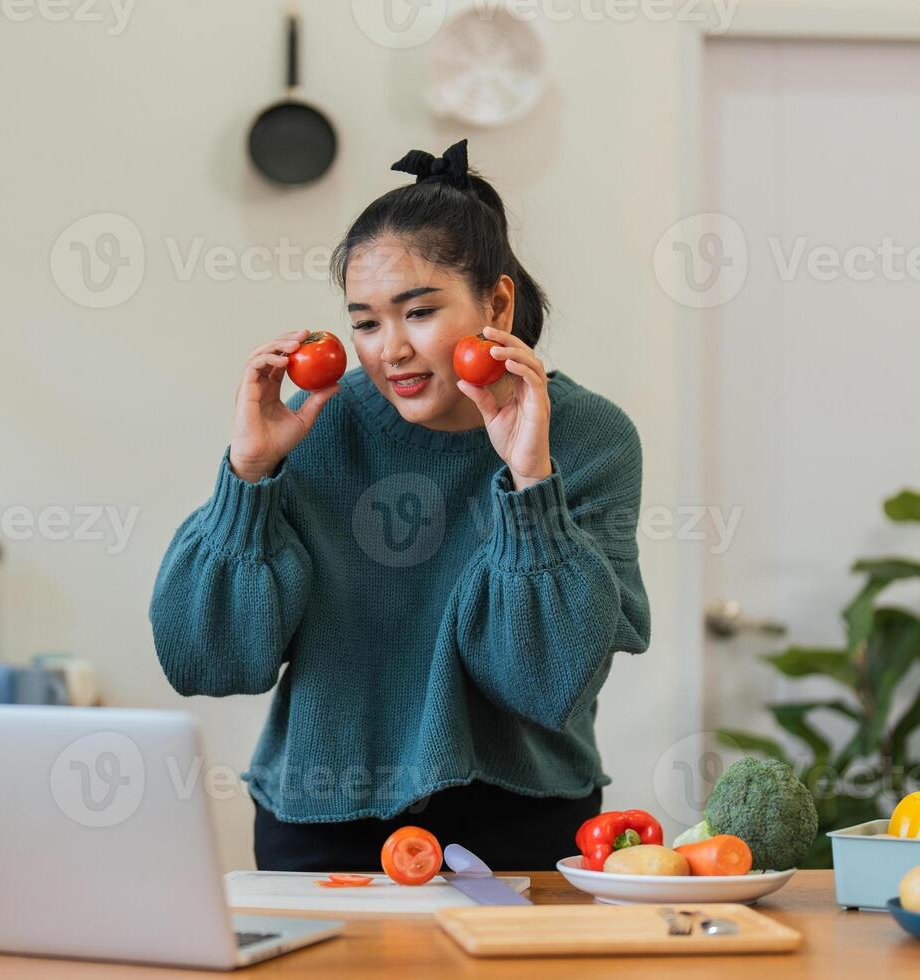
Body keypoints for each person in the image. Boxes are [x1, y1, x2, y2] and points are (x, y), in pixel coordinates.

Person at [149, 140, 650, 872]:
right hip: (323, 816)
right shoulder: (314, 431)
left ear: (497, 303)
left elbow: (543, 679)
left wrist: (530, 482)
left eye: (418, 312)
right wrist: (248, 478)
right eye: (366, 322)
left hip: (520, 821)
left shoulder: (590, 439)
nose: (390, 351)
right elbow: (208, 659)